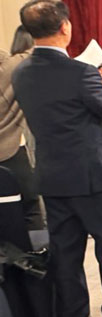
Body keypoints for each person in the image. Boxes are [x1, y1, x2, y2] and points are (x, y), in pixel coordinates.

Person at [11, 0, 102, 317]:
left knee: (66, 252)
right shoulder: (79, 72)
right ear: (65, 27)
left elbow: (61, 104)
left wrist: (92, 85)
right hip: (92, 175)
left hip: (52, 176)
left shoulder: (21, 73)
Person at [0, 25, 43, 233]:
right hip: (10, 149)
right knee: (30, 205)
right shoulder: (11, 69)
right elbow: (36, 51)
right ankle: (37, 250)